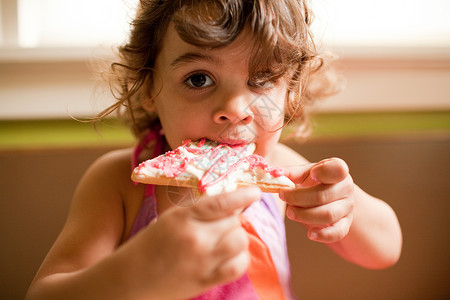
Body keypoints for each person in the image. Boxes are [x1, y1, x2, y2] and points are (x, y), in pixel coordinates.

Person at [26, 1, 402, 299]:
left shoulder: (281, 169)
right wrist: (127, 278)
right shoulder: (117, 183)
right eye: (199, 79)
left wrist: (347, 206)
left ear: (290, 91)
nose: (236, 109)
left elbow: (385, 249)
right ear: (147, 90)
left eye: (262, 79)